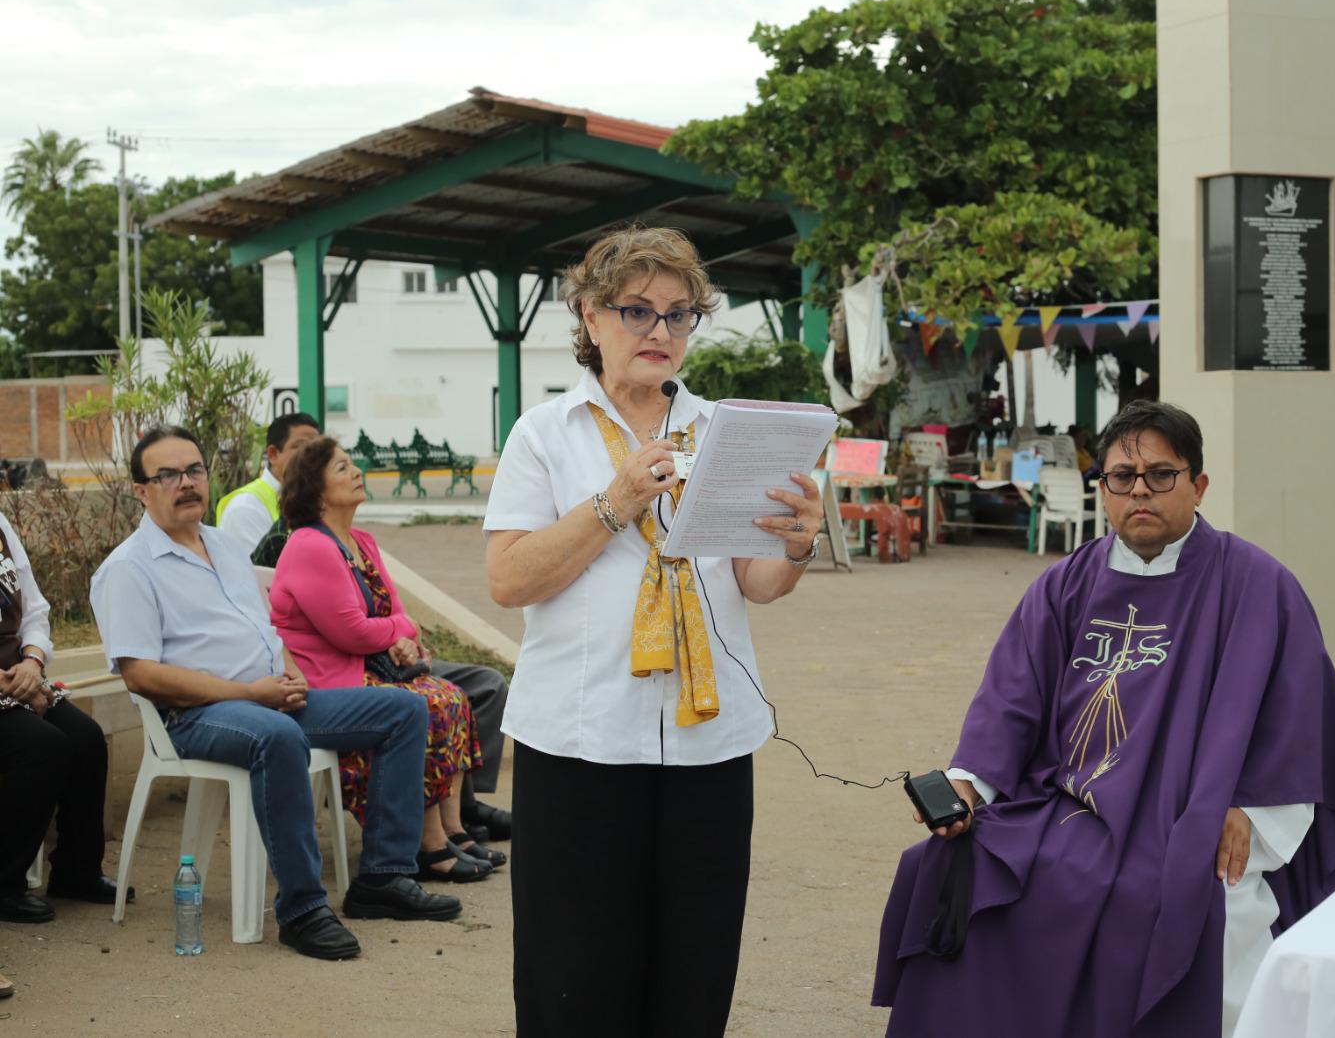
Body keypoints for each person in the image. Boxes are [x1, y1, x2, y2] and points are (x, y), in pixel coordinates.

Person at [873, 400, 1335, 1038]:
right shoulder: (1064, 586)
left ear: (1199, 485)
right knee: (944, 865)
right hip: (1068, 802)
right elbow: (1010, 699)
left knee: (1173, 893)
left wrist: (1250, 808)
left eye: (1161, 475)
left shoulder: (1259, 586)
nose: (1140, 492)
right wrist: (969, 781)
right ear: (1101, 488)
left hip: (1191, 813)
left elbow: (1298, 721)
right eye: (1121, 477)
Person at [485, 226, 825, 1037]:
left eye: (680, 315)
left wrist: (800, 543)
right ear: (590, 317)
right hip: (577, 739)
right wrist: (617, 502)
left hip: (708, 742)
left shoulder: (724, 432)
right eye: (637, 311)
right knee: (574, 971)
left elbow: (756, 584)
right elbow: (508, 580)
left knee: (694, 968)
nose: (660, 333)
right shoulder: (545, 433)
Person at [90, 424, 464, 961]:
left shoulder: (221, 543)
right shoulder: (128, 569)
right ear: (141, 490)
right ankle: (303, 909)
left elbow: (266, 629)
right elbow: (141, 675)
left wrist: (289, 674)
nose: (186, 483)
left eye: (194, 470)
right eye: (167, 475)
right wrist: (250, 692)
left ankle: (382, 876)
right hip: (198, 715)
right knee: (279, 737)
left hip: (273, 696)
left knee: (404, 709)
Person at [270, 435, 501, 880]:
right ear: (315, 491)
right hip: (327, 680)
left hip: (369, 666)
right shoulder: (309, 545)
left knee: (452, 697)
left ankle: (451, 829)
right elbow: (352, 631)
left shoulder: (361, 541)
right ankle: (428, 844)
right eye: (341, 468)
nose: (356, 472)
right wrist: (397, 633)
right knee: (430, 704)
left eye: (352, 465)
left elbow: (398, 612)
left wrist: (402, 636)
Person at [0, 512, 128, 924]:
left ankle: (76, 872)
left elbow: (35, 608)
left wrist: (33, 662)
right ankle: (4, 883)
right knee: (42, 747)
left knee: (84, 737)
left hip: (19, 676)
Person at [216, 411, 321, 551]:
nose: (312, 457)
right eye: (300, 447)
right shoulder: (245, 508)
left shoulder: (315, 501)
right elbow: (258, 571)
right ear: (273, 454)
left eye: (317, 450)